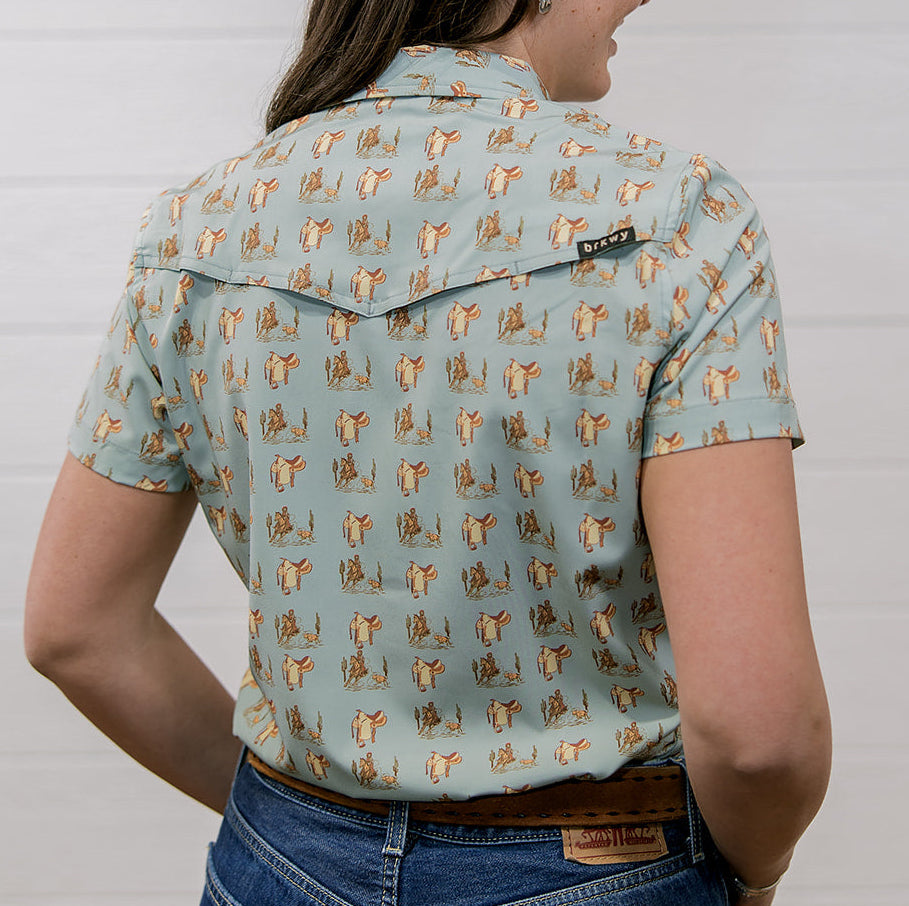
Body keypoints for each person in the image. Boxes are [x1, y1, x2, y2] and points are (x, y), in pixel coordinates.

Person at [24, 1, 831, 904]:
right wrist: (750, 876)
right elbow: (759, 738)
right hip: (601, 866)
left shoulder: (198, 228)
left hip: (280, 859)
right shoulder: (678, 215)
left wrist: (294, 829)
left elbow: (76, 631)